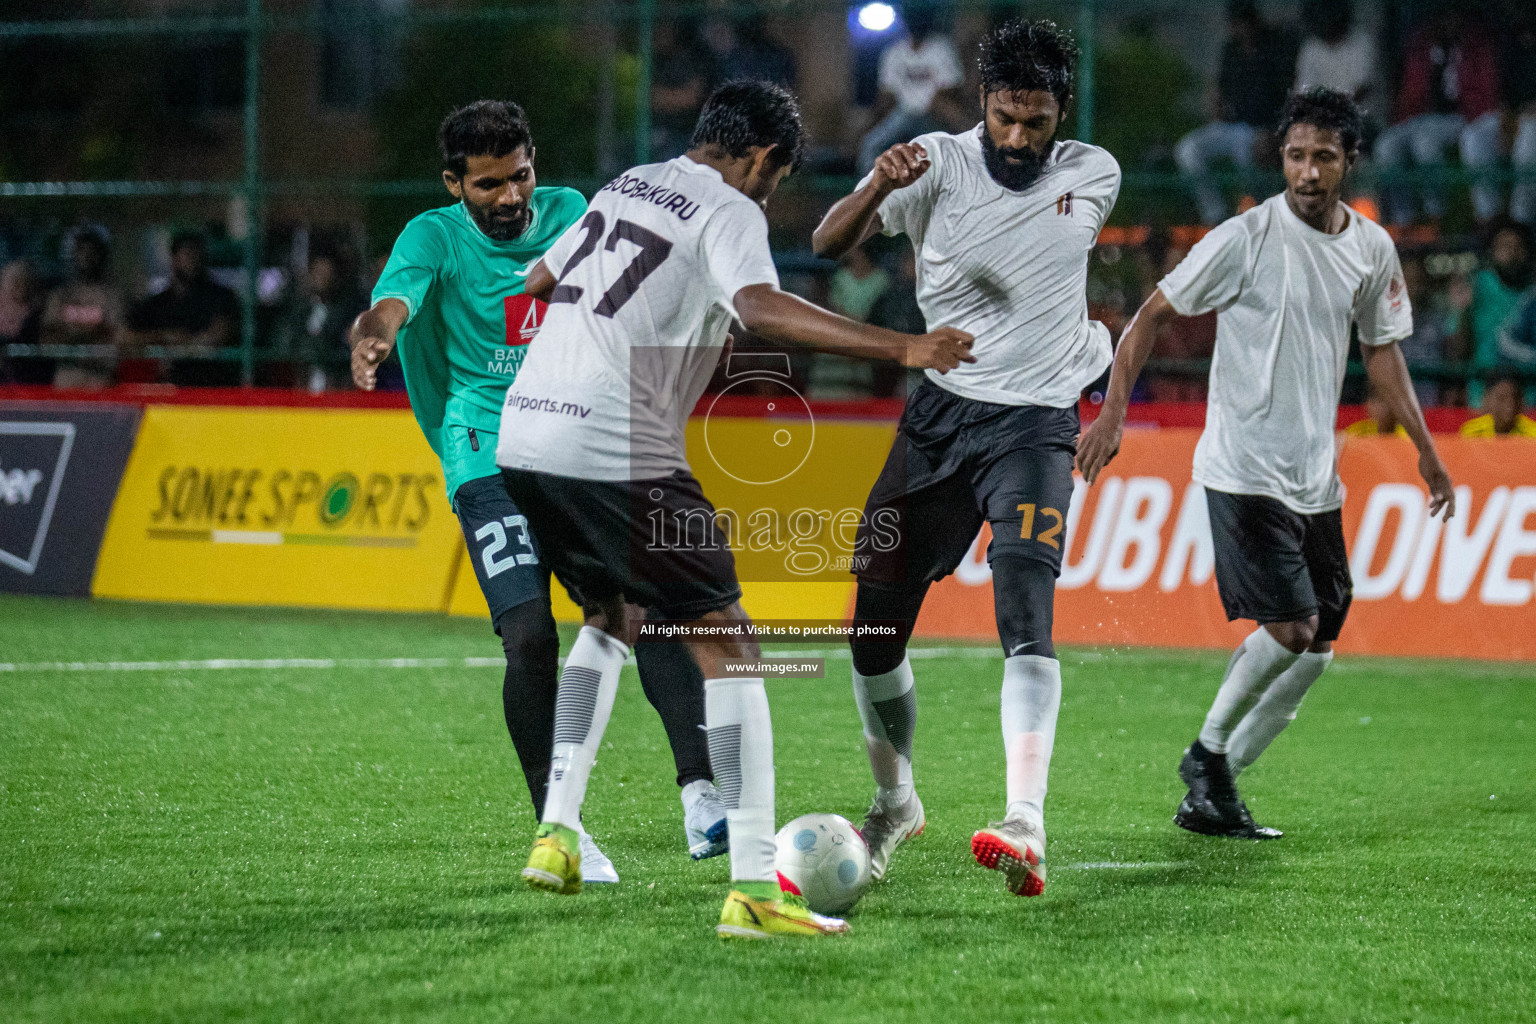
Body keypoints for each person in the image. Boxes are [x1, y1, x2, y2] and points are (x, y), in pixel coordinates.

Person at [496, 80, 974, 936]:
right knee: (731, 641)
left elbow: (535, 281)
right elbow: (759, 308)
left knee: (612, 615)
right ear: (761, 159)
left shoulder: (627, 183)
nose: (771, 193)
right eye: (777, 178)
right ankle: (755, 887)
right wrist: (902, 344)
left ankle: (557, 834)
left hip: (527, 434)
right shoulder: (728, 207)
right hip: (615, 441)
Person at [348, 101, 732, 884]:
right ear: (454, 182)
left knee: (647, 606)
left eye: (518, 174)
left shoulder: (569, 211)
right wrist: (376, 332)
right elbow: (395, 300)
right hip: (485, 453)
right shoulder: (432, 236)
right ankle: (560, 830)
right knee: (528, 635)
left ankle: (702, 797)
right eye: (488, 184)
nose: (509, 196)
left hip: (572, 441)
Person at [1078, 88, 1456, 839]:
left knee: (1317, 650)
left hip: (1315, 476)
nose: (1307, 172)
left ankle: (1213, 789)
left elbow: (1382, 352)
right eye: (1294, 155)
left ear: (1350, 160)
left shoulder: (1371, 248)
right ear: (1280, 158)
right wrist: (1112, 413)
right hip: (1242, 468)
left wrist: (1426, 450)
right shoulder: (1244, 237)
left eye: (1322, 157)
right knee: (1290, 627)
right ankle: (1205, 755)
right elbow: (1150, 315)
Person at [814, 19, 1121, 897]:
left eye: (1036, 121)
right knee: (873, 627)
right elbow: (831, 246)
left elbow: (1036, 261)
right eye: (1004, 118)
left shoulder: (1092, 173)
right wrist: (878, 183)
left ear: (1061, 111)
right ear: (980, 104)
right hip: (939, 419)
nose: (1019, 140)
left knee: (1026, 602)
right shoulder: (933, 162)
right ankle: (896, 800)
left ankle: (1026, 817)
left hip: (1034, 426)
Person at [1174, 1, 1295, 225]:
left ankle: (1264, 219)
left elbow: (1288, 97)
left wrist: (1276, 132)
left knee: (1249, 160)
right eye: (1235, 24)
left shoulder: (1274, 49)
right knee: (1188, 150)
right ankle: (1215, 216)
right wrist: (1214, 106)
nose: (1240, 29)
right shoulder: (1230, 50)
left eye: (1244, 23)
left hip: (1261, 130)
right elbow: (1218, 89)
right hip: (1230, 127)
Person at [1373, 11, 1499, 227]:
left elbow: (1484, 91)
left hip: (1461, 117)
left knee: (1426, 143)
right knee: (1385, 146)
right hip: (1420, 117)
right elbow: (1410, 91)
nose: (1447, 23)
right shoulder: (1422, 44)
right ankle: (1405, 221)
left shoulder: (1475, 45)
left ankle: (1435, 217)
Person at [857, 6, 966, 173]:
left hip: (932, 114)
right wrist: (870, 122)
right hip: (902, 112)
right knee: (871, 145)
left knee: (946, 149)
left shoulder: (941, 48)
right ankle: (870, 191)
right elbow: (887, 94)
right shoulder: (895, 51)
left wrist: (937, 107)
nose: (916, 25)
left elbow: (951, 87)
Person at [127, 231, 241, 386]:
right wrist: (166, 337)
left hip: (212, 384)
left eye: (197, 254)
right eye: (187, 254)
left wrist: (185, 343)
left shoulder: (221, 296)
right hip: (170, 384)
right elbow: (127, 337)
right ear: (174, 259)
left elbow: (219, 335)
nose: (193, 260)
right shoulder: (158, 302)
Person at [1461, 10, 1536, 226]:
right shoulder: (1512, 42)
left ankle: (1520, 222)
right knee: (1474, 136)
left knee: (1528, 140)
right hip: (1517, 114)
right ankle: (1490, 220)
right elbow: (1505, 92)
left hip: (1532, 121)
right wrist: (1507, 117)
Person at [40, 227, 127, 388]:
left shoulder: (112, 296)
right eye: (82, 251)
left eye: (93, 252)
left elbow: (116, 335)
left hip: (100, 377)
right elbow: (48, 338)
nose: (87, 257)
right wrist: (89, 334)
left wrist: (74, 335)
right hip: (67, 375)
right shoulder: (60, 295)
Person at [279, 248, 367, 391]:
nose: (322, 279)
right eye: (318, 273)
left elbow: (345, 344)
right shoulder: (299, 311)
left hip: (335, 384)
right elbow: (286, 343)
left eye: (327, 274)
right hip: (302, 383)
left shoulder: (347, 311)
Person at [1460, 371, 1536, 436]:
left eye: (1515, 398)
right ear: (1487, 399)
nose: (1510, 404)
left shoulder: (1532, 434)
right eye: (1502, 398)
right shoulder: (1472, 433)